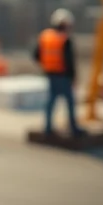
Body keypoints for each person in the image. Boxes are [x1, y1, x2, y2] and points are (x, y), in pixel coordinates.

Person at [34, 8, 84, 137]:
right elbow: (69, 61)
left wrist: (46, 65)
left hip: (50, 74)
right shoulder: (64, 39)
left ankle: (48, 127)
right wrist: (73, 77)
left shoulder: (45, 36)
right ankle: (73, 127)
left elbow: (36, 55)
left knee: (51, 101)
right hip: (63, 75)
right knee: (70, 102)